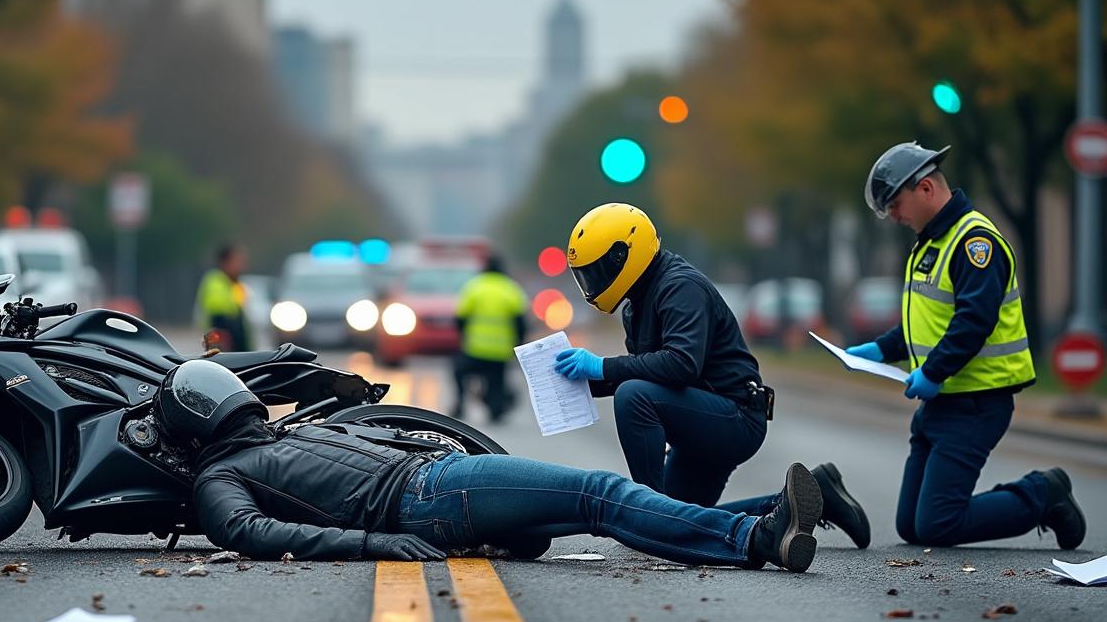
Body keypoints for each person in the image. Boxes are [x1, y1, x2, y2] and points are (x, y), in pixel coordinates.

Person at [161, 359, 825, 572]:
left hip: (436, 487)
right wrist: (375, 542)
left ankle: (785, 509)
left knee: (595, 510)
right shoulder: (219, 480)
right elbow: (255, 534)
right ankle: (756, 537)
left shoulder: (263, 439)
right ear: (200, 420)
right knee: (599, 494)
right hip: (432, 495)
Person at [554, 202, 871, 548]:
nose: (593, 282)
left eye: (598, 270)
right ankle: (814, 498)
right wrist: (577, 381)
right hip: (706, 417)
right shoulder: (637, 303)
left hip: (735, 416)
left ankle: (647, 515)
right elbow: (648, 371)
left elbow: (679, 365)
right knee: (684, 521)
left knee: (633, 397)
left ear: (624, 255)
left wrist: (600, 366)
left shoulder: (679, 286)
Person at [849, 141, 1086, 549]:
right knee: (912, 526)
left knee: (938, 525)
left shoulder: (974, 243)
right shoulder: (931, 240)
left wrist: (935, 371)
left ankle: (1044, 494)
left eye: (895, 204)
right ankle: (1033, 495)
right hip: (940, 403)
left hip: (976, 403)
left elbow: (973, 321)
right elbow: (929, 322)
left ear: (925, 189)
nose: (893, 215)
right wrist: (883, 349)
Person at [451, 254, 528, 423]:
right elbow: (520, 322)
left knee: (458, 372)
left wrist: (463, 337)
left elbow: (460, 318)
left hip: (475, 349)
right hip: (500, 351)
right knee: (497, 382)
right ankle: (496, 410)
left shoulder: (475, 287)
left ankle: (460, 404)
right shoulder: (511, 289)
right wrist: (518, 345)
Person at [195, 244, 252, 352]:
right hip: (223, 347)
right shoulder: (215, 282)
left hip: (235, 347)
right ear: (225, 262)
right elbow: (218, 318)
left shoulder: (235, 284)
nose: (242, 266)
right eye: (238, 261)